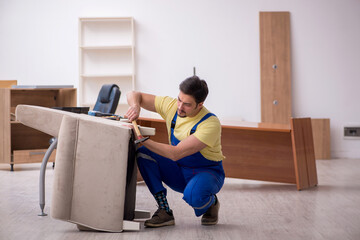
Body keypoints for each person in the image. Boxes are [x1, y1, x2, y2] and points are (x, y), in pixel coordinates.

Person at [125, 75, 225, 228]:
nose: (179, 107)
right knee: (144, 153)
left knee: (195, 197)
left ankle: (211, 203)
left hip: (206, 173)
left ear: (200, 105)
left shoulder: (210, 123)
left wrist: (140, 138)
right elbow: (133, 94)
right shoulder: (172, 106)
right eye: (179, 99)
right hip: (178, 170)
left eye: (187, 104)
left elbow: (175, 153)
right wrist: (135, 106)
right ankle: (164, 210)